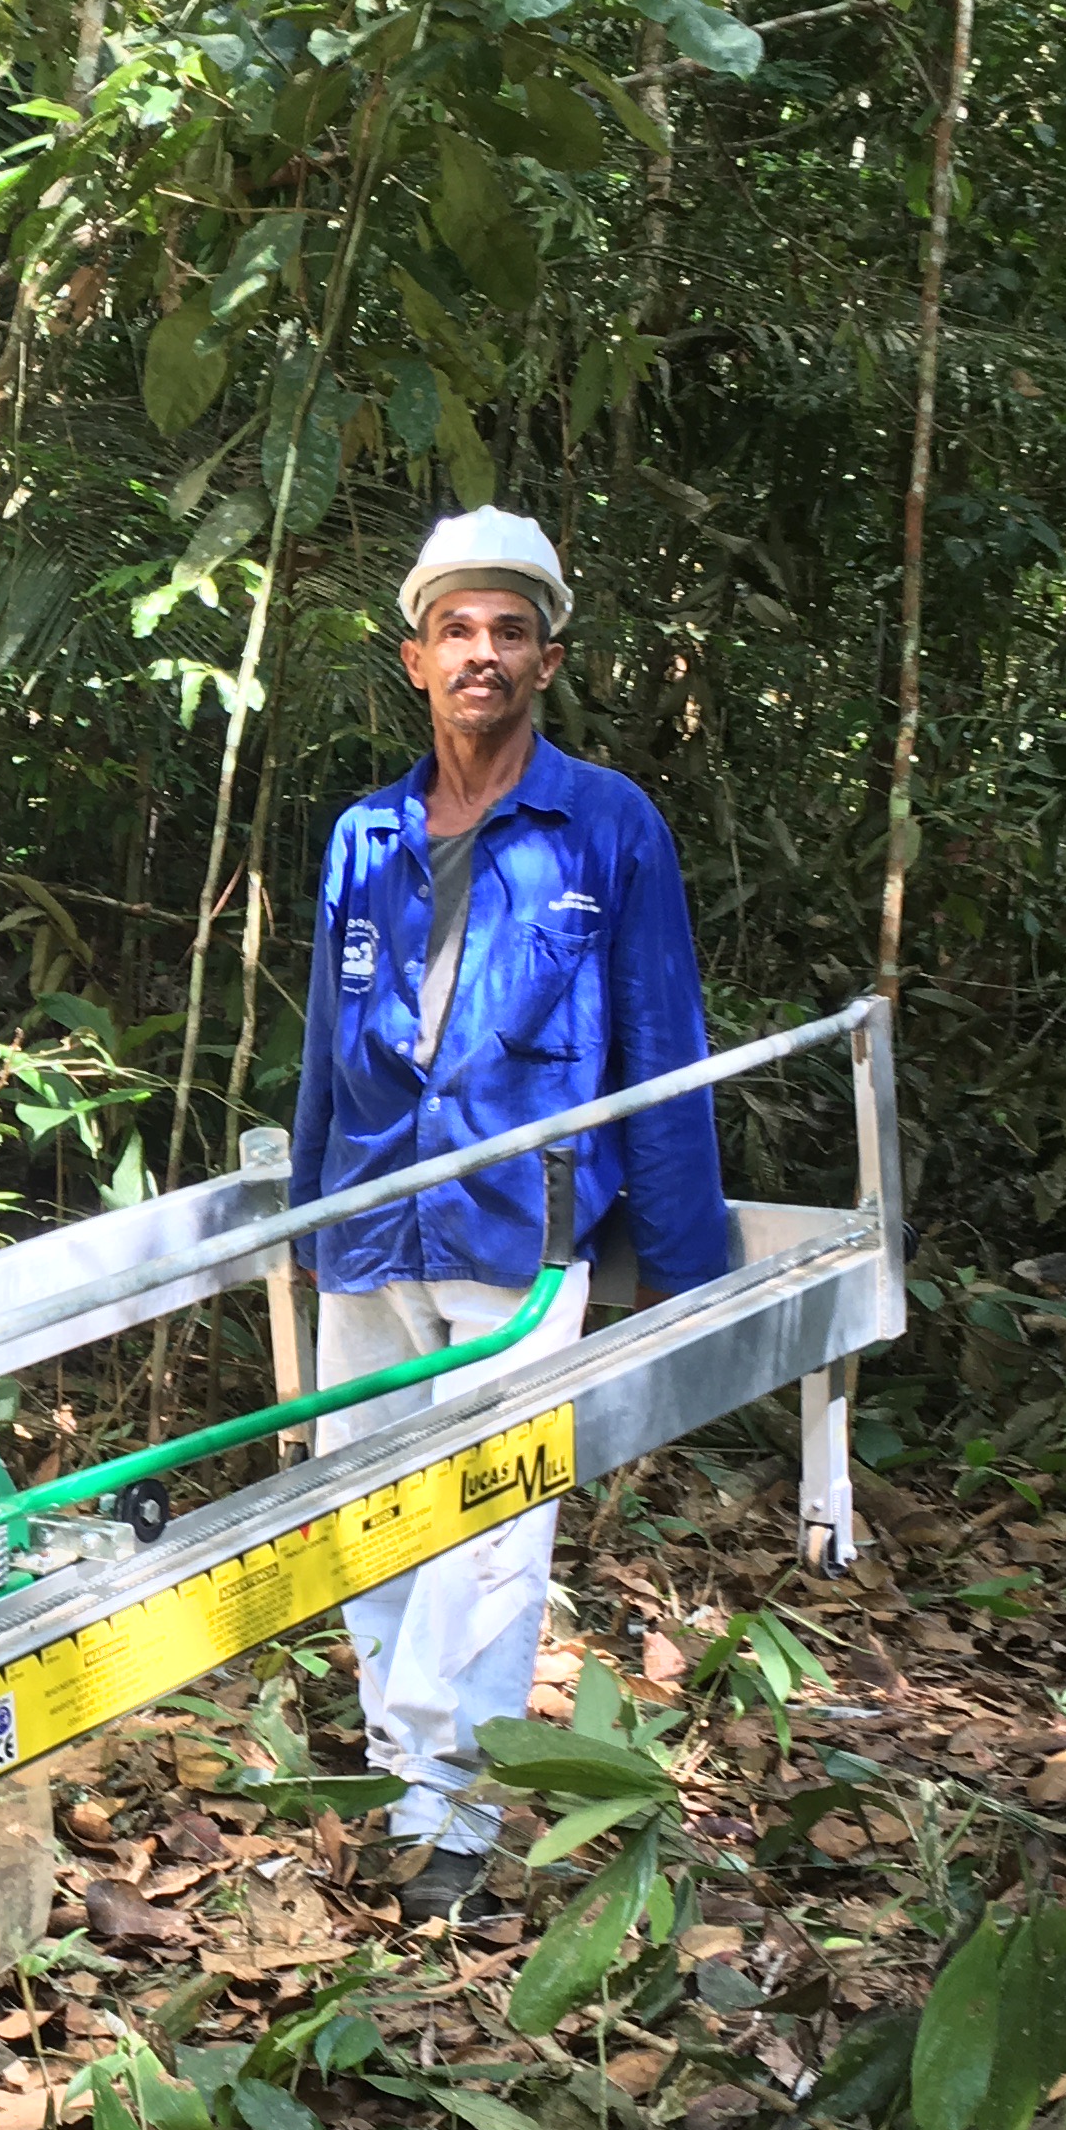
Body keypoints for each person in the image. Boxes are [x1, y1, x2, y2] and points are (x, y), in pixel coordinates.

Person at [288, 511, 732, 1925]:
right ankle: (392, 1782)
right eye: (458, 631)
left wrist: (684, 1261)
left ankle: (457, 1822)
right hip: (370, 1216)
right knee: (364, 1506)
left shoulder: (606, 823)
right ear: (416, 659)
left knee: (487, 1530)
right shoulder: (366, 832)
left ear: (548, 657)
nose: (483, 655)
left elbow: (661, 1039)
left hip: (514, 1232)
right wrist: (304, 1227)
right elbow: (324, 1047)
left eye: (510, 631)